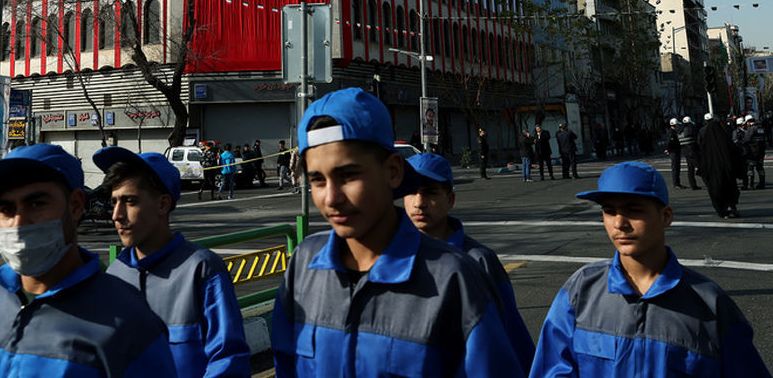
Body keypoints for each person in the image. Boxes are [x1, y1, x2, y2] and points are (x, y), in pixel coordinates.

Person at [271, 88, 522, 378]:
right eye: (317, 180)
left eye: (348, 176)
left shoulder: (455, 279)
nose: (331, 198)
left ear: (393, 171)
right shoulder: (304, 265)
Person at [0, 143, 176, 376]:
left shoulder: (128, 321)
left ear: (75, 206)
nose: (18, 223)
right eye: (6, 209)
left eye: (36, 204)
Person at [530, 162, 770, 377]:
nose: (619, 223)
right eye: (609, 211)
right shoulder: (581, 290)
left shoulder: (710, 304)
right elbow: (551, 369)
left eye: (634, 210)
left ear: (666, 216)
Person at [94, 147, 250, 377]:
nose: (116, 215)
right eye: (114, 202)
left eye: (129, 201)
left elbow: (228, 360)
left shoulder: (202, 269)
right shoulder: (115, 274)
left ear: (163, 204)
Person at [404, 153, 534, 371]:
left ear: (450, 199)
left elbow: (511, 335)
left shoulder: (479, 261)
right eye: (411, 192)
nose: (419, 203)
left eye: (430, 193)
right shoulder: (390, 257)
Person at [696, 112, 742, 218]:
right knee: (730, 190)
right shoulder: (725, 141)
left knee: (716, 192)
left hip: (713, 175)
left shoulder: (705, 143)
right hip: (727, 173)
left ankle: (722, 211)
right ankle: (732, 207)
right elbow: (734, 154)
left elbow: (701, 157)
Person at [742, 114, 767, 189]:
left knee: (750, 167)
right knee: (760, 167)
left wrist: (741, 142)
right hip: (761, 151)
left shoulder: (751, 129)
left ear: (748, 122)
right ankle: (762, 184)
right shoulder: (761, 128)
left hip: (752, 151)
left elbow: (747, 139)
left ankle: (750, 185)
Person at [677, 115, 701, 190]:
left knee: (690, 169)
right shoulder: (691, 129)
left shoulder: (680, 131)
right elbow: (696, 138)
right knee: (700, 166)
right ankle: (708, 182)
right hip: (693, 151)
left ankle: (693, 185)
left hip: (686, 152)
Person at [666, 117, 684, 188]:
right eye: (677, 125)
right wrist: (668, 149)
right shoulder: (672, 132)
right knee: (675, 168)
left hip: (675, 151)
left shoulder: (673, 131)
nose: (678, 126)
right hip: (674, 151)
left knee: (677, 167)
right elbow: (669, 142)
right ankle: (676, 184)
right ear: (675, 125)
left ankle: (678, 183)